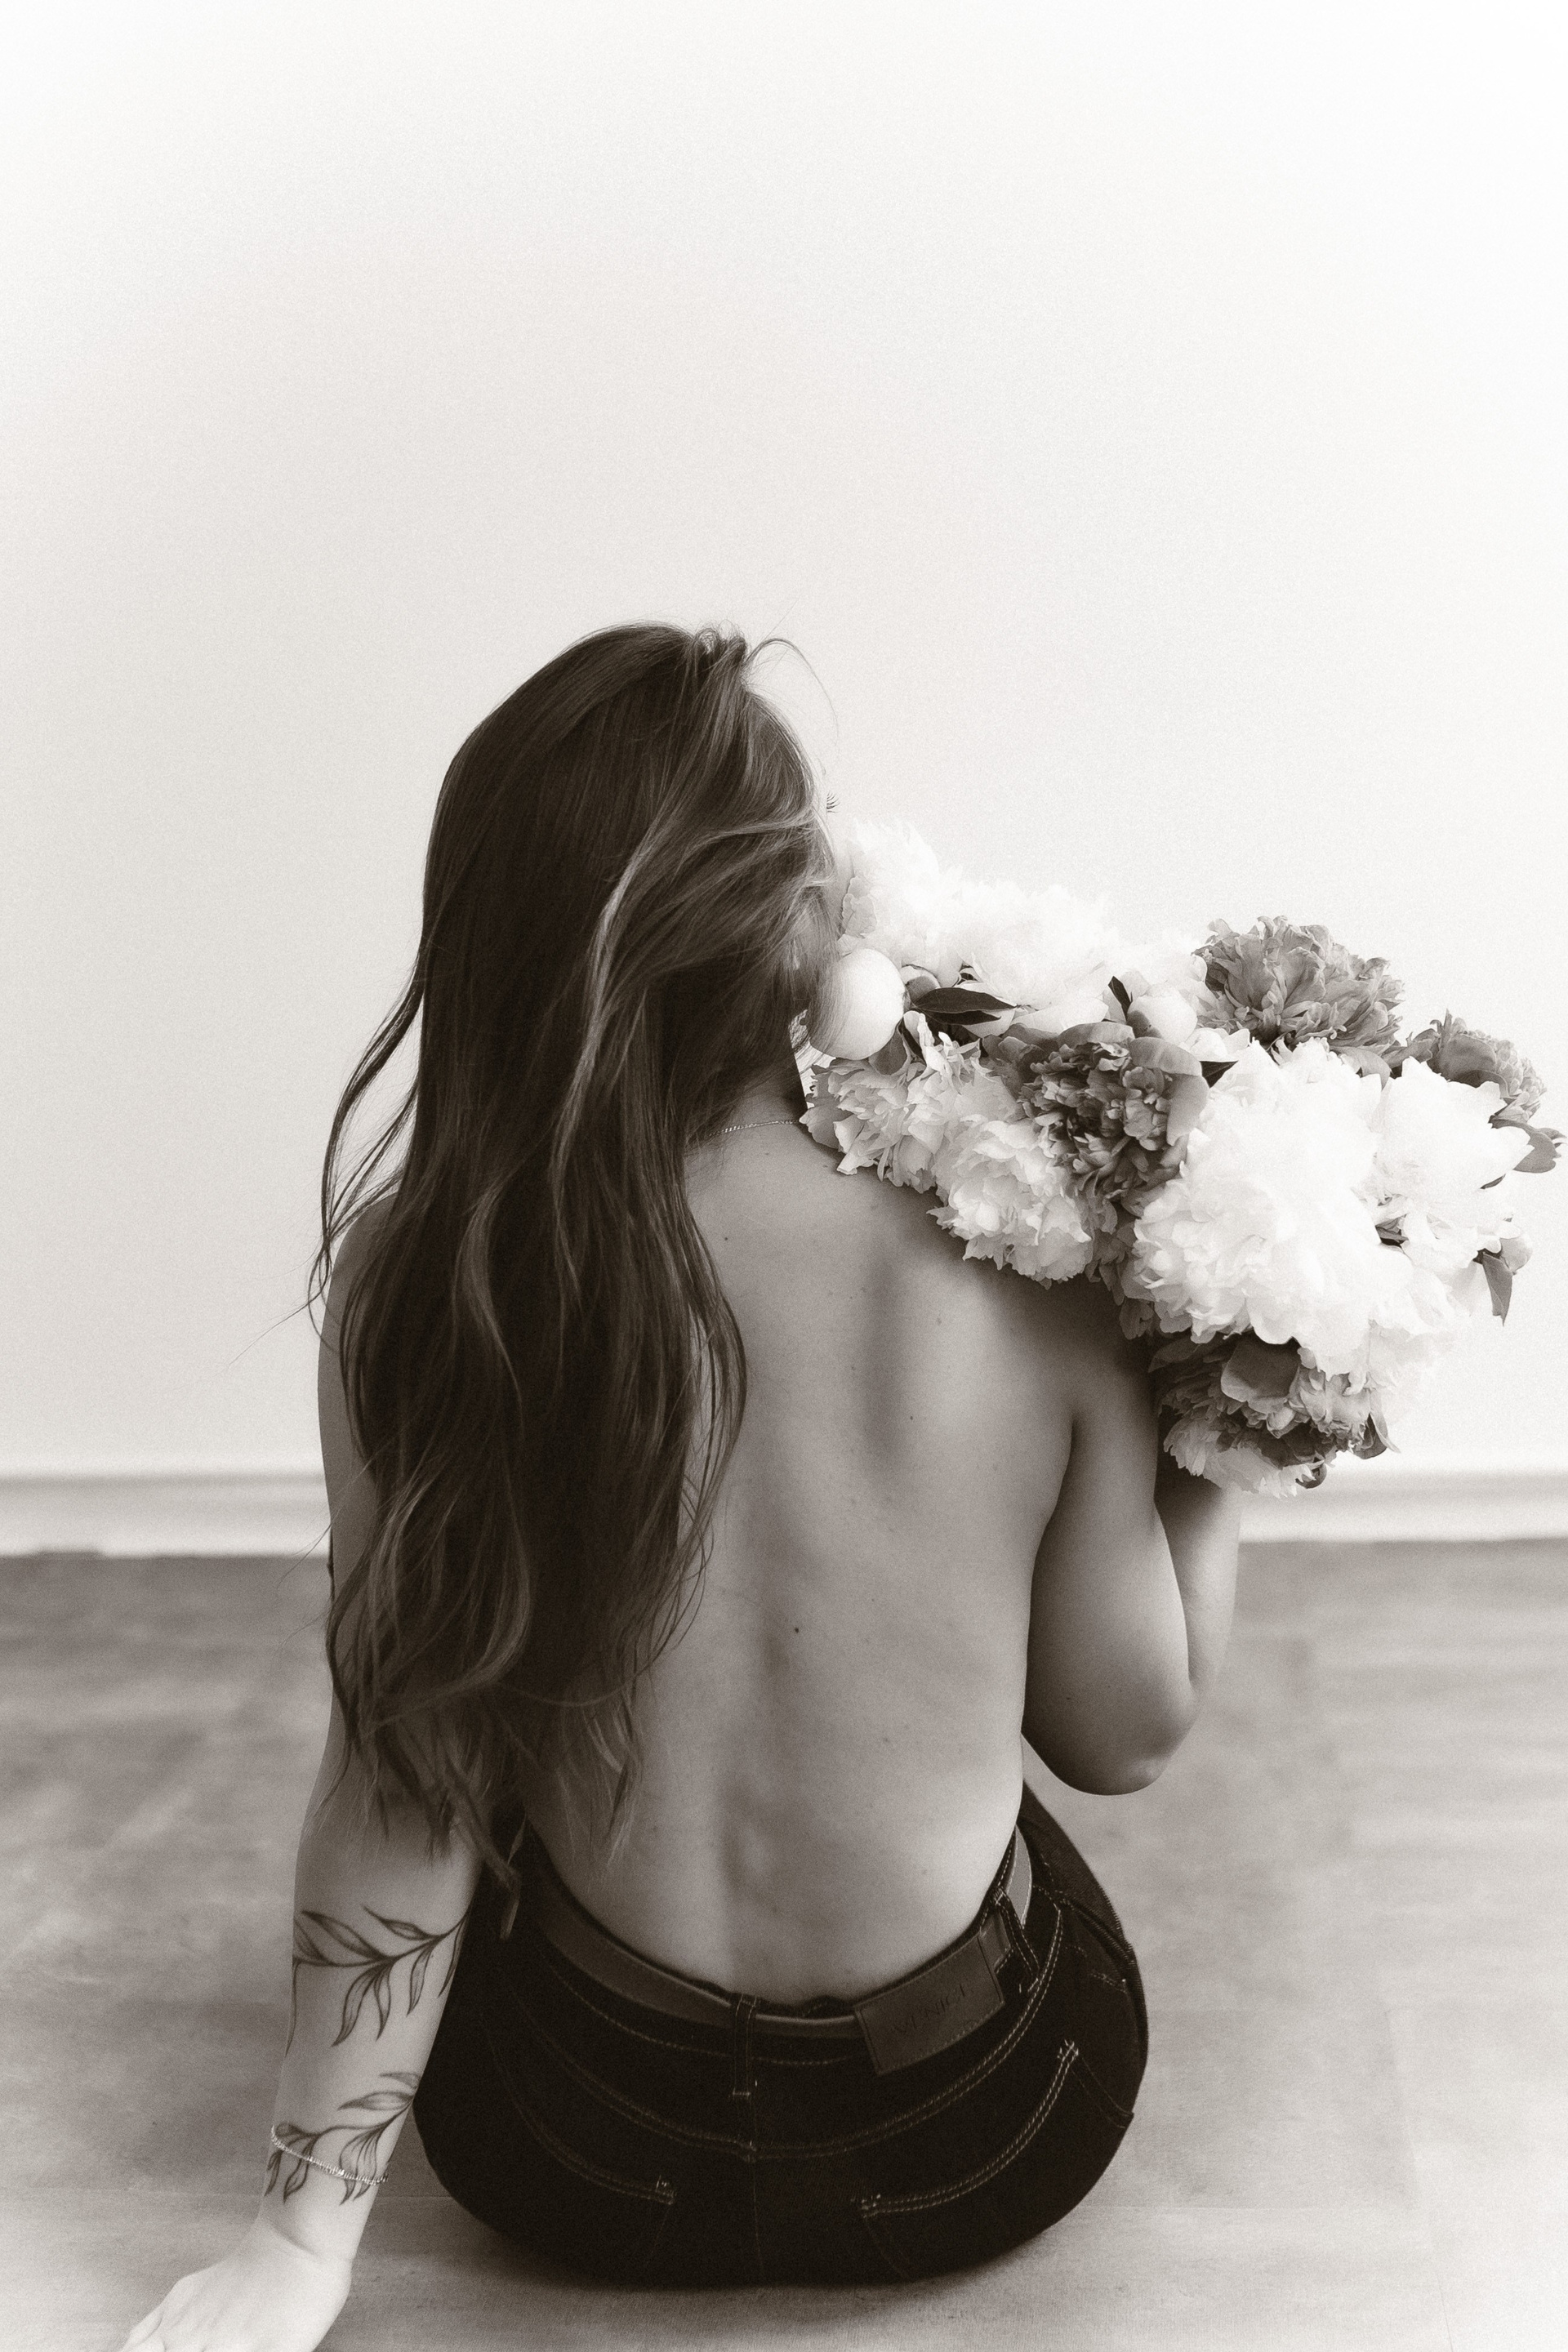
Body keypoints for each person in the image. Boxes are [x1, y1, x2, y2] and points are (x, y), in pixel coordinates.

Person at [122, 624, 1239, 2349]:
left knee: (483, 1738)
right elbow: (1123, 1739)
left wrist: (298, 2243)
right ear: (793, 916)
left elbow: (409, 1777)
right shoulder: (1019, 1256)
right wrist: (1219, 1442)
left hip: (579, 2155)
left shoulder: (440, 1281)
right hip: (980, 2142)